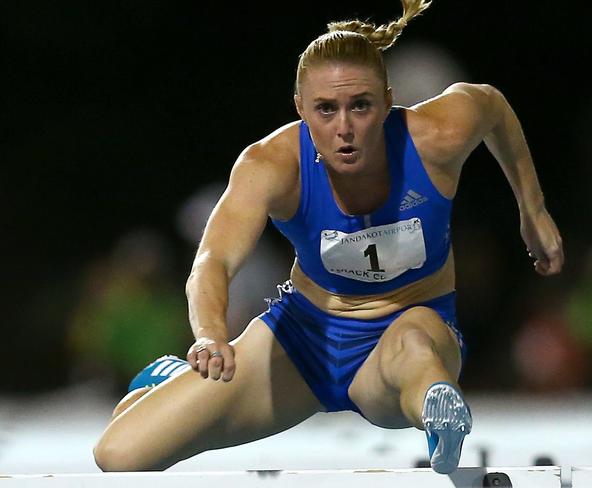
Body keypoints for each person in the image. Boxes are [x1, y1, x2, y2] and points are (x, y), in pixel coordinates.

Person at [93, 0, 564, 474]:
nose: (344, 129)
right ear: (300, 108)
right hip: (303, 343)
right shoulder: (271, 165)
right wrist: (212, 337)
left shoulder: (435, 137)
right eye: (325, 109)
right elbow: (212, 263)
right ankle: (175, 379)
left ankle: (438, 413)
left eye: (360, 106)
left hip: (403, 336)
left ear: (386, 101)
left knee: (417, 350)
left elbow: (491, 105)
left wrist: (533, 210)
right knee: (118, 455)